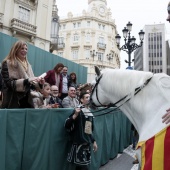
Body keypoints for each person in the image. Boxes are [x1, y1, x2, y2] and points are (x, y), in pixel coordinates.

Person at [1, 40, 44, 108]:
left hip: (27, 100)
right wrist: (27, 80)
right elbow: (8, 83)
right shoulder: (7, 63)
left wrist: (40, 83)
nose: (25, 50)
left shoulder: (28, 65)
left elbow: (31, 85)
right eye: (22, 48)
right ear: (16, 49)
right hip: (13, 100)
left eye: (26, 49)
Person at [64, 92, 98, 170]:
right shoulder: (78, 110)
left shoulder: (89, 112)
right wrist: (75, 115)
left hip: (86, 144)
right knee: (82, 168)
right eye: (86, 97)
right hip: (79, 143)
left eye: (89, 97)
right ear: (81, 100)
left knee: (80, 168)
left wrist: (93, 141)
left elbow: (88, 130)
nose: (89, 99)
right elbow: (67, 125)